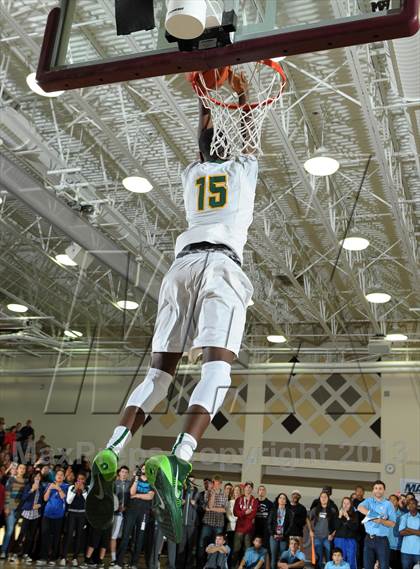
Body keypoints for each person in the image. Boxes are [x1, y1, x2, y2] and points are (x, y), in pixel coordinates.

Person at [86, 70, 256, 544]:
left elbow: (207, 140)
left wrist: (206, 99)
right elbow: (243, 138)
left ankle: (112, 449)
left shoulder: (192, 176)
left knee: (158, 375)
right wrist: (243, 93)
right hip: (221, 268)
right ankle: (179, 457)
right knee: (216, 371)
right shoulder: (241, 173)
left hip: (179, 268)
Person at [114, 464, 154, 569]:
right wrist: (136, 479)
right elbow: (131, 492)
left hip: (144, 513)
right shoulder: (135, 479)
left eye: (147, 468)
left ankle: (133, 563)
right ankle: (119, 562)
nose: (144, 470)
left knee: (139, 538)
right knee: (126, 536)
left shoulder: (152, 481)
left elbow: (150, 496)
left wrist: (137, 495)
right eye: (143, 468)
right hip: (131, 511)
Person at [357, 480, 396, 569]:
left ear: (384, 490)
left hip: (382, 540)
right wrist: (373, 515)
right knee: (367, 566)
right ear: (373, 490)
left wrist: (381, 521)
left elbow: (393, 524)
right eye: (376, 488)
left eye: (380, 488)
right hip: (368, 539)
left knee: (384, 566)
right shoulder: (369, 501)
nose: (378, 490)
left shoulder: (388, 504)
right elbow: (360, 507)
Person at [37, 469, 69, 566]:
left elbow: (65, 498)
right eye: (57, 474)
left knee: (56, 537)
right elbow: (45, 499)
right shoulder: (49, 485)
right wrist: (50, 488)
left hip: (59, 515)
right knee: (45, 535)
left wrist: (58, 488)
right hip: (47, 514)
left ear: (64, 477)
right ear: (55, 477)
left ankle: (53, 558)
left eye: (61, 475)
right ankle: (43, 557)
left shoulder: (66, 486)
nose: (59, 476)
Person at [198, 475, 228, 566]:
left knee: (217, 546)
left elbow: (224, 510)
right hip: (207, 523)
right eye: (214, 483)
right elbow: (209, 506)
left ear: (221, 484)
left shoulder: (224, 494)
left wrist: (211, 509)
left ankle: (214, 565)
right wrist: (213, 494)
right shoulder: (208, 493)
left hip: (219, 524)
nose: (216, 485)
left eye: (218, 483)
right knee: (202, 545)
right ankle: (200, 565)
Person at [61, 473, 88, 566]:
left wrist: (83, 490)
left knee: (79, 536)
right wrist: (75, 490)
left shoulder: (86, 488)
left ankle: (75, 557)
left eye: (82, 479)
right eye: (79, 479)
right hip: (72, 514)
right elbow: (68, 501)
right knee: (69, 535)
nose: (80, 481)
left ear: (84, 480)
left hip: (82, 515)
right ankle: (63, 557)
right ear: (76, 480)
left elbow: (88, 501)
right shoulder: (71, 487)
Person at [1, 463, 27, 560]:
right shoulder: (11, 479)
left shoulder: (26, 481)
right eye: (20, 468)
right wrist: (7, 507)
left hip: (20, 509)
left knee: (15, 532)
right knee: (10, 530)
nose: (22, 469)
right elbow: (7, 493)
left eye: (24, 468)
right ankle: (3, 551)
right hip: (11, 508)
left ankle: (10, 551)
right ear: (17, 469)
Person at [18, 471, 43, 564]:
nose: (37, 478)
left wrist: (39, 505)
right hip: (27, 512)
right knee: (23, 533)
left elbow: (42, 501)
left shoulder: (42, 487)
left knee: (31, 536)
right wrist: (32, 490)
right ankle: (17, 551)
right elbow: (24, 498)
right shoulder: (29, 486)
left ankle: (26, 554)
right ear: (32, 477)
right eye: (36, 476)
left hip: (36, 514)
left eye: (39, 476)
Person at [232, 482, 258, 567]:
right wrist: (245, 512)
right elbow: (235, 512)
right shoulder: (239, 499)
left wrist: (242, 514)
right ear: (244, 488)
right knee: (236, 549)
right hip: (239, 528)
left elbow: (253, 514)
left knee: (247, 550)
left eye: (250, 487)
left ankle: (245, 566)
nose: (248, 489)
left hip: (249, 528)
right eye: (246, 487)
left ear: (252, 489)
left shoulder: (254, 501)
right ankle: (234, 566)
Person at [177, 474, 200, 569]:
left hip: (192, 524)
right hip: (182, 523)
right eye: (189, 481)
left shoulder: (197, 493)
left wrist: (195, 504)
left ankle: (189, 566)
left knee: (191, 546)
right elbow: (176, 504)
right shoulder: (182, 491)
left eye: (192, 481)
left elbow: (200, 508)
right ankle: (179, 565)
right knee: (181, 546)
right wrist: (180, 503)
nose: (191, 483)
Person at [309, 491, 337, 569]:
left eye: (325, 497)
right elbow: (307, 519)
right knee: (319, 558)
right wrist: (310, 530)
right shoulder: (315, 509)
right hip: (317, 537)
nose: (323, 498)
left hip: (327, 538)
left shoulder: (332, 510)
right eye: (322, 497)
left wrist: (332, 534)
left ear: (328, 499)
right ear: (320, 499)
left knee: (329, 558)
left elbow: (337, 524)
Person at [110, 466, 130, 566]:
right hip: (116, 514)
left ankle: (120, 558)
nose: (124, 474)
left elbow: (132, 498)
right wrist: (117, 508)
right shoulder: (114, 484)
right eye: (122, 472)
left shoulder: (130, 484)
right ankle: (113, 559)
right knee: (114, 536)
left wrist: (126, 507)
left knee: (124, 537)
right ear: (119, 473)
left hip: (127, 514)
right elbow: (111, 498)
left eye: (126, 472)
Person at [269, 493, 293, 569]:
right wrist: (273, 534)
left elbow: (291, 526)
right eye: (280, 498)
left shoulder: (289, 512)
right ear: (278, 500)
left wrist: (284, 535)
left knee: (283, 558)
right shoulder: (273, 511)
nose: (282, 499)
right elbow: (269, 524)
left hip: (284, 537)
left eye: (284, 498)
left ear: (286, 501)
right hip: (274, 537)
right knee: (273, 557)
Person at [334, 497, 359, 569]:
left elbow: (354, 528)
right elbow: (336, 527)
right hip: (339, 539)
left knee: (351, 560)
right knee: (339, 560)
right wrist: (339, 516)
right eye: (344, 503)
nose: (345, 505)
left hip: (350, 540)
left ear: (351, 505)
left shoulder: (355, 514)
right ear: (342, 504)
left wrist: (348, 518)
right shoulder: (337, 513)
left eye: (348, 503)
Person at [398, 498, 420, 569]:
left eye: (413, 503)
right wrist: (416, 531)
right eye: (409, 503)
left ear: (417, 505)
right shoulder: (404, 517)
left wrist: (408, 529)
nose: (411, 505)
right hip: (405, 551)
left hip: (418, 551)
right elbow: (401, 532)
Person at [388, 494, 403, 569]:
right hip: (387, 545)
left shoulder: (402, 515)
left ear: (397, 502)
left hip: (398, 547)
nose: (391, 501)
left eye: (393, 500)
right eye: (390, 500)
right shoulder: (385, 515)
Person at [226, 485, 242, 552]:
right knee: (230, 547)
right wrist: (237, 519)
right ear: (233, 492)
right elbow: (228, 515)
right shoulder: (230, 502)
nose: (237, 491)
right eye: (235, 490)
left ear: (240, 492)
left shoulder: (243, 502)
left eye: (238, 490)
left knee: (238, 548)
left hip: (240, 528)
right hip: (231, 527)